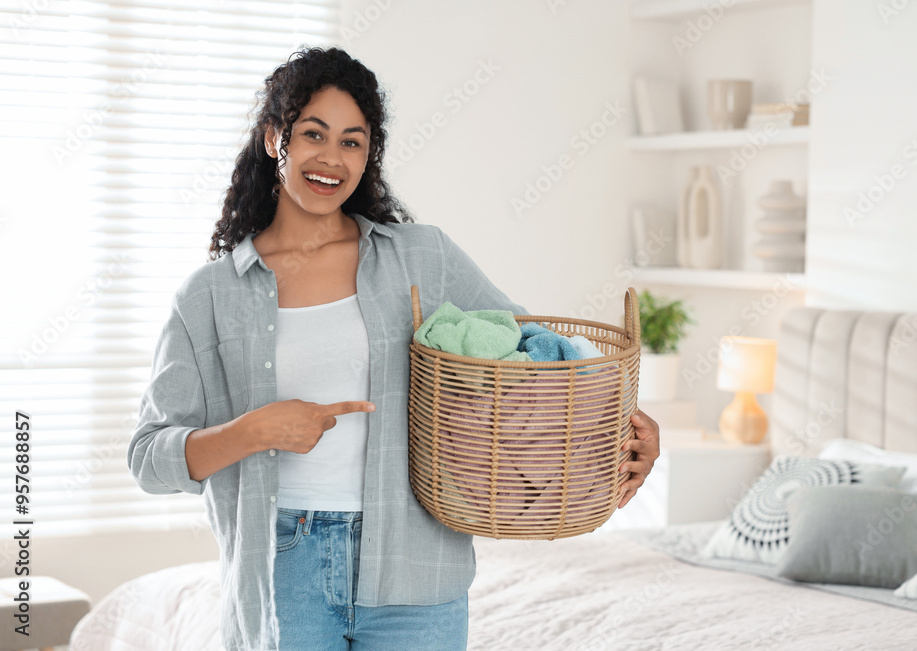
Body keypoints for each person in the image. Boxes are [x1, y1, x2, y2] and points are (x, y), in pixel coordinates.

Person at [126, 46, 660, 651]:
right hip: (282, 569)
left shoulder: (422, 258)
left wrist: (627, 422)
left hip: (416, 565)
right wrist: (255, 430)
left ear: (368, 155)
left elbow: (531, 359)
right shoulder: (209, 296)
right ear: (277, 139)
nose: (332, 158)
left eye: (352, 141)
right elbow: (148, 457)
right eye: (313, 134)